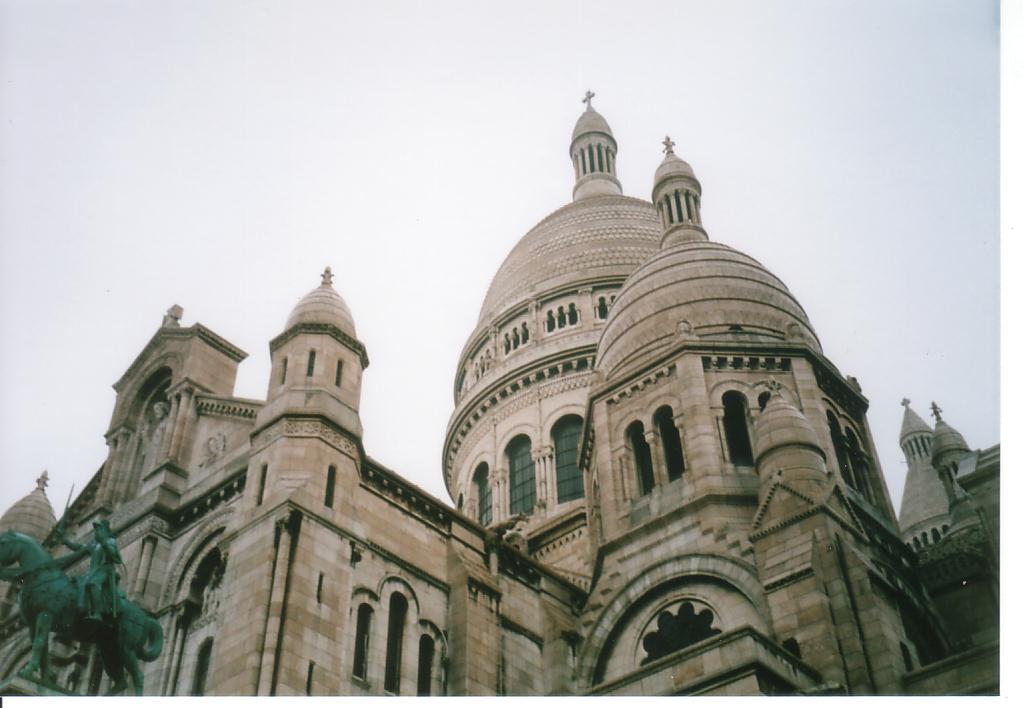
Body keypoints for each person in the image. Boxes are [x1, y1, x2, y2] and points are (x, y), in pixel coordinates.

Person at [58, 519, 124, 621]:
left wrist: (104, 543)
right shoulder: (94, 545)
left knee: (94, 583)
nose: (96, 532)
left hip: (105, 571)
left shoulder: (110, 541)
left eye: (99, 529)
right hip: (93, 571)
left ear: (105, 531)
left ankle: (98, 613)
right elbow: (78, 547)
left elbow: (114, 555)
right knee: (77, 584)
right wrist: (65, 540)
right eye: (96, 530)